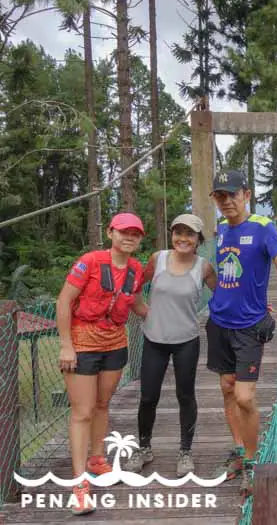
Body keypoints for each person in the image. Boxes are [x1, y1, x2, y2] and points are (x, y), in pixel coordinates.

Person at [205, 170, 277, 496]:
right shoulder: (220, 230)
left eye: (232, 194)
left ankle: (252, 460)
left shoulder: (263, 228)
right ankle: (239, 450)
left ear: (246, 194)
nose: (227, 201)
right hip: (219, 321)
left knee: (244, 396)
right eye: (220, 196)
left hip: (249, 326)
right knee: (226, 386)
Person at [55, 213, 148, 515]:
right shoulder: (91, 261)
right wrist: (67, 346)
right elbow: (64, 301)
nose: (129, 238)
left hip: (115, 343)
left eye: (135, 234)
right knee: (82, 412)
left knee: (102, 404)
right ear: (110, 233)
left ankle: (98, 460)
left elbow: (135, 304)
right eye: (123, 232)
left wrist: (174, 317)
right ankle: (79, 484)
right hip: (82, 343)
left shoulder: (136, 269)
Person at [124, 214, 217, 477]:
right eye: (178, 233)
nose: (183, 239)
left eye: (189, 234)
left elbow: (223, 296)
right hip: (154, 338)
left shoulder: (204, 267)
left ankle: (185, 452)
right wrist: (140, 308)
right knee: (148, 396)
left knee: (185, 396)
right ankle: (144, 448)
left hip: (186, 340)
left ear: (199, 240)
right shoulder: (158, 259)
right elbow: (134, 284)